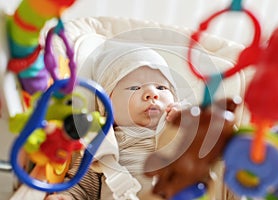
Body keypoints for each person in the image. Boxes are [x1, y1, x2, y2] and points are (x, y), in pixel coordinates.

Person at [46, 42, 184, 200]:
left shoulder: (185, 123)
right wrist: (69, 197)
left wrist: (187, 121)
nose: (152, 94)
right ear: (106, 103)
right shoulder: (101, 143)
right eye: (134, 88)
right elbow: (82, 186)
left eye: (161, 88)